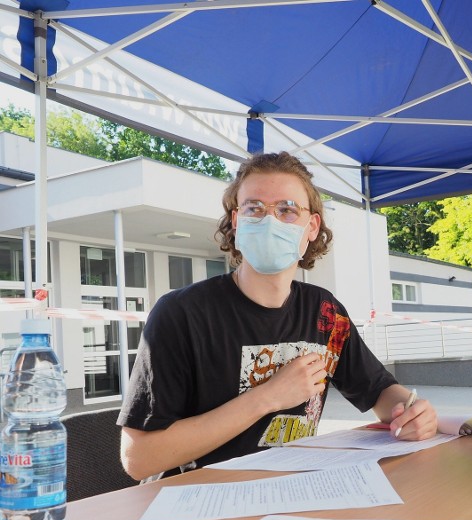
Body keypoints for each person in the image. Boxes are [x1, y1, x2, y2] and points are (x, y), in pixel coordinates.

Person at [119, 152, 437, 481]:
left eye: (286, 209)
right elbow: (139, 458)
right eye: (254, 208)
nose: (270, 221)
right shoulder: (180, 314)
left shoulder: (325, 313)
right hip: (195, 506)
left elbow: (379, 390)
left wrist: (411, 410)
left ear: (311, 226)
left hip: (292, 491)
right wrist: (268, 397)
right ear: (237, 221)